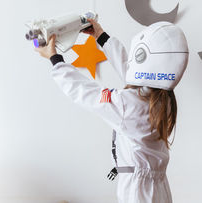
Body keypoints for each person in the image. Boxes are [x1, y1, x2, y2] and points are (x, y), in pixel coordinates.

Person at [35, 19, 189, 203]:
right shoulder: (162, 99)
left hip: (137, 192)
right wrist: (101, 36)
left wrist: (55, 59)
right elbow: (129, 70)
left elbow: (84, 92)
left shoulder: (127, 104)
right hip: (160, 187)